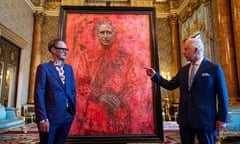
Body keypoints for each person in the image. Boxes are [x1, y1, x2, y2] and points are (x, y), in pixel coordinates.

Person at [69, 20, 153, 135]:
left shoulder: (126, 57)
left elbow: (132, 83)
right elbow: (81, 83)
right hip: (95, 115)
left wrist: (121, 99)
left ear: (113, 34)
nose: (105, 36)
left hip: (119, 115)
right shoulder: (86, 56)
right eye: (102, 32)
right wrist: (99, 96)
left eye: (108, 32)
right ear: (97, 34)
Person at [145, 38, 228, 144]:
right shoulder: (183, 70)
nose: (183, 52)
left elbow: (223, 95)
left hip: (205, 120)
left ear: (196, 50)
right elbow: (170, 85)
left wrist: (222, 118)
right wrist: (155, 76)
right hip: (185, 120)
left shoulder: (213, 69)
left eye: (186, 49)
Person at [34, 38, 76, 144]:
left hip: (67, 115)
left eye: (67, 49)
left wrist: (72, 110)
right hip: (50, 117)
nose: (66, 51)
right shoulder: (43, 68)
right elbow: (39, 93)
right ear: (53, 50)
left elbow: (72, 90)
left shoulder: (69, 69)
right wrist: (42, 118)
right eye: (63, 49)